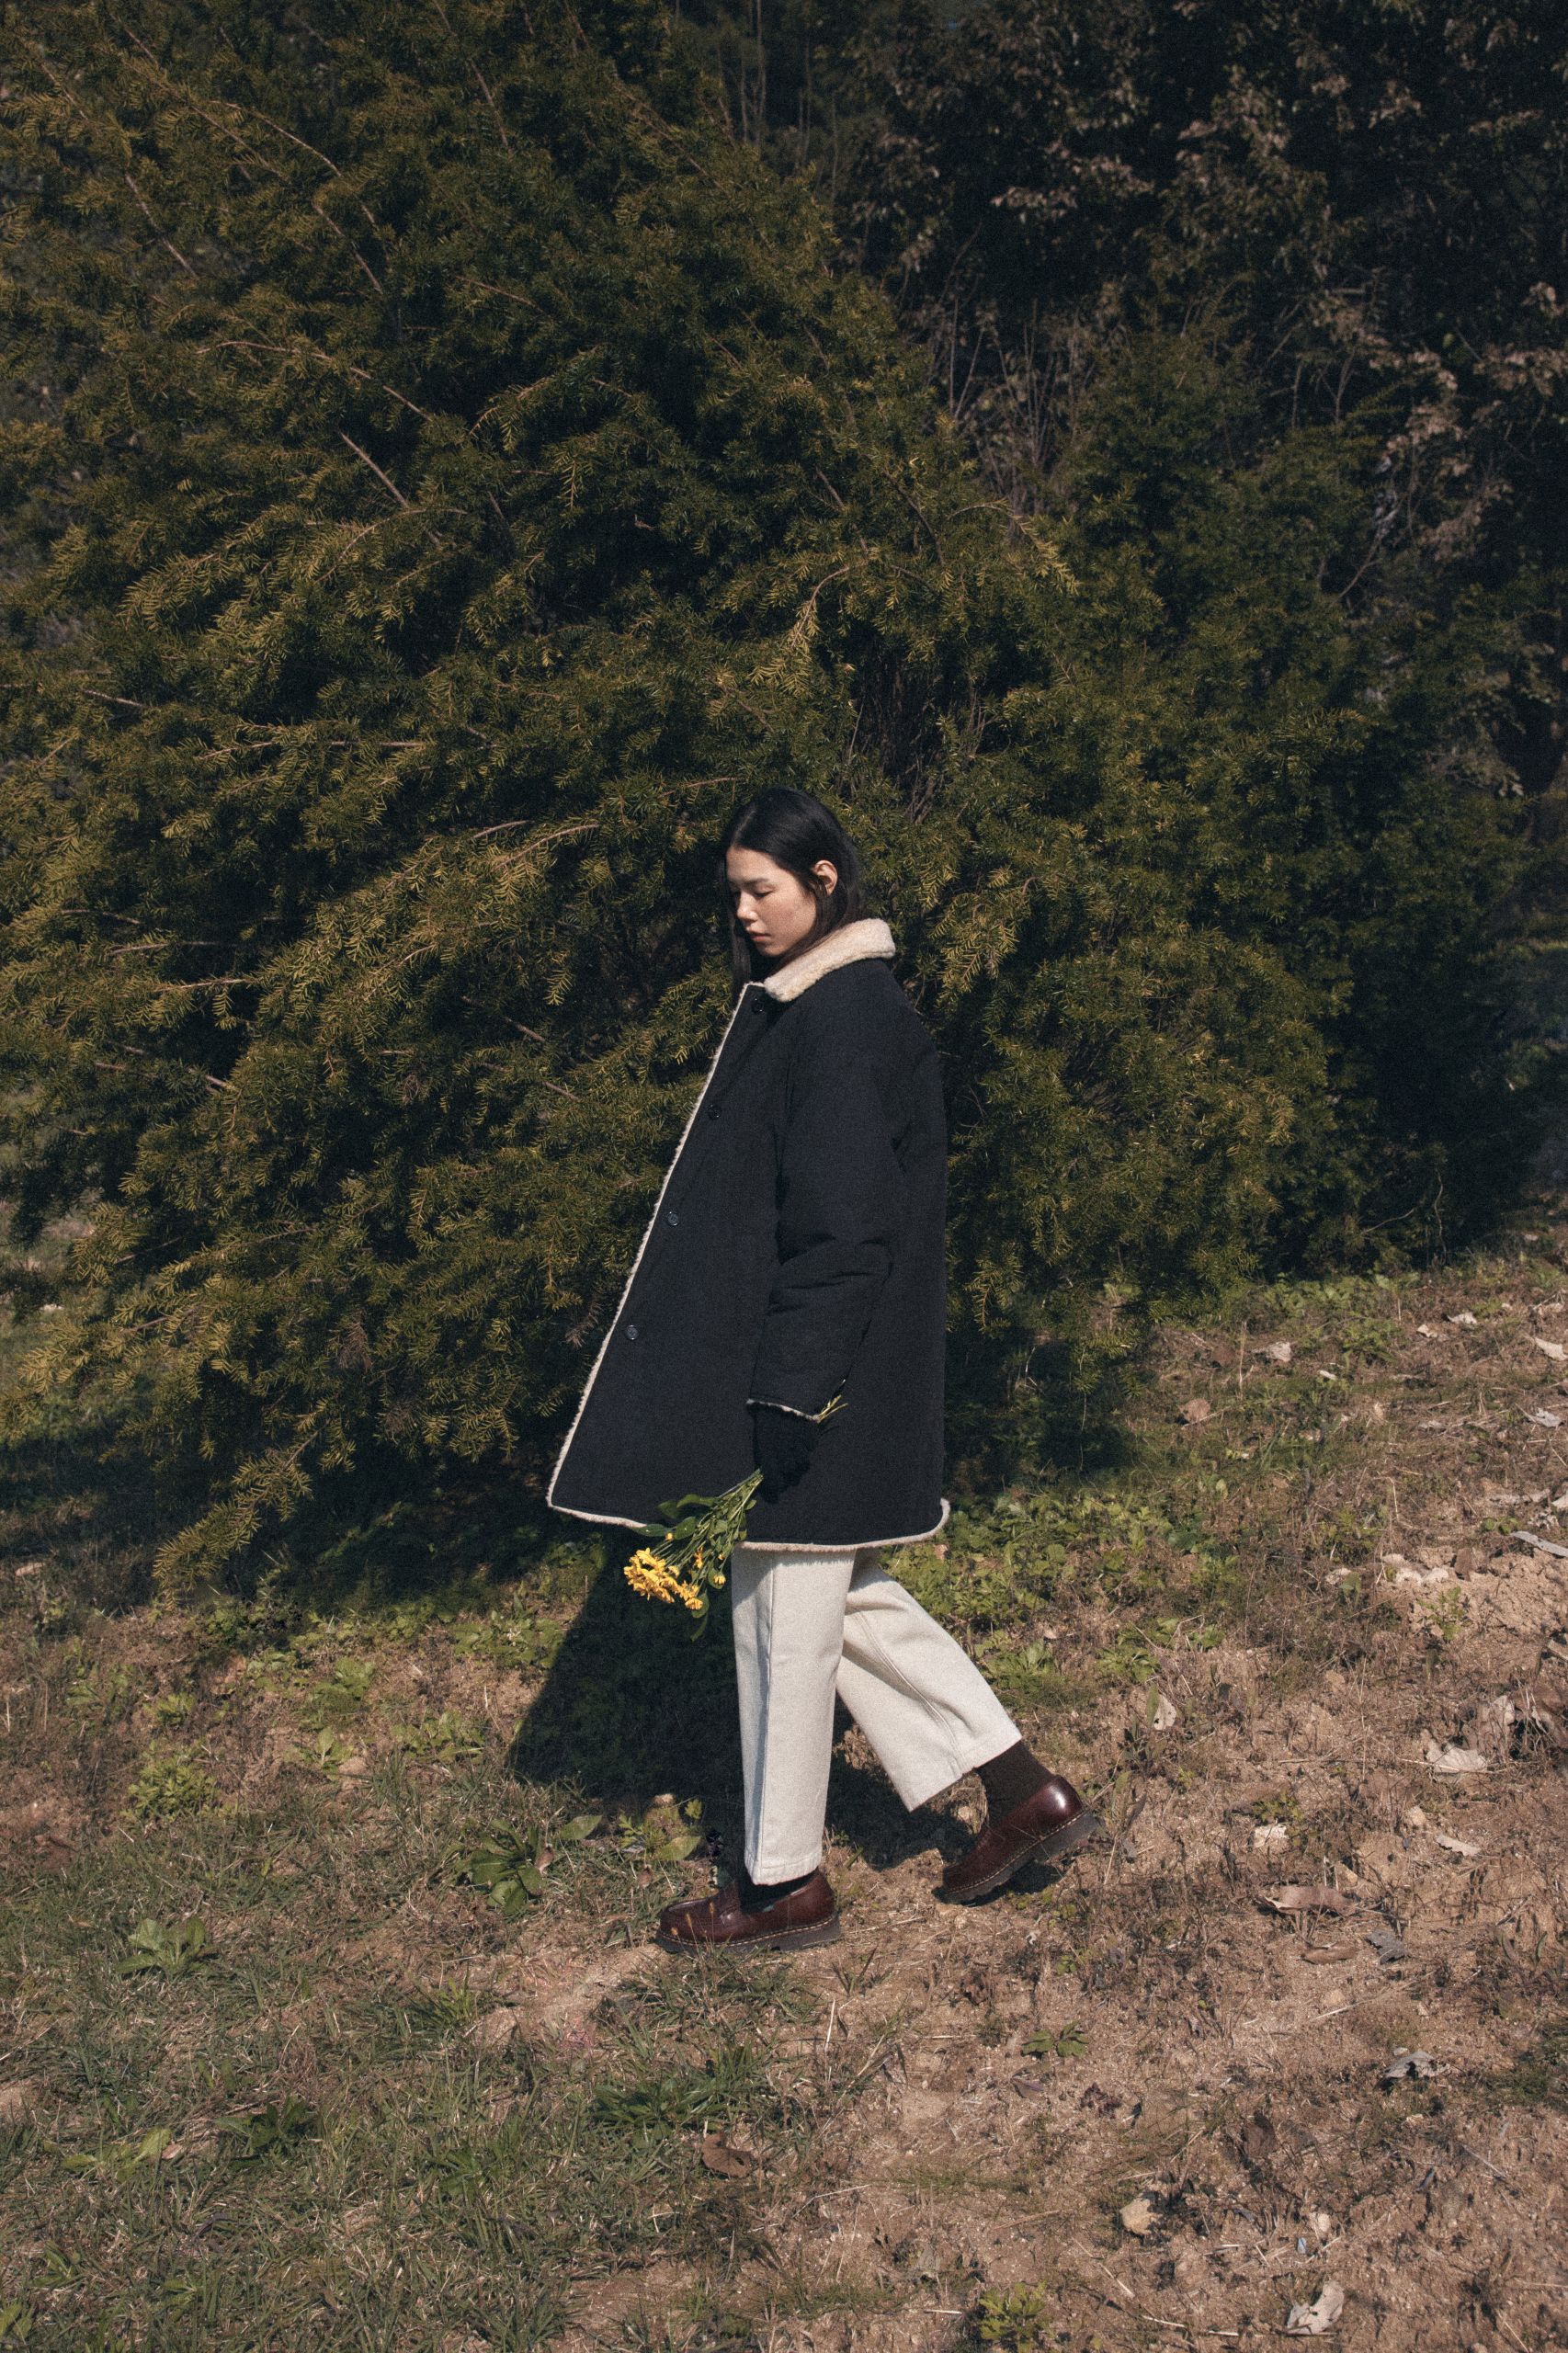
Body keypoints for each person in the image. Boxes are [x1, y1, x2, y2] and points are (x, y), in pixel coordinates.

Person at [547, 787, 1096, 1951]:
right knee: (832, 1596)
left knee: (780, 1618)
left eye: (763, 889)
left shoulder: (841, 1017)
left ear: (825, 880)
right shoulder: (812, 1004)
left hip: (818, 1372)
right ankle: (1019, 1791)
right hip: (823, 1364)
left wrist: (791, 1386)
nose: (743, 912)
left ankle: (780, 1880)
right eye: (733, 894)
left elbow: (845, 1229)